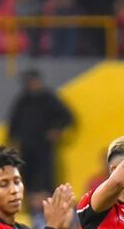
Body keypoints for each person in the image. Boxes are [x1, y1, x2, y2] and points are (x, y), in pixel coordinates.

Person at [7, 70, 74, 204]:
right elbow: (13, 123)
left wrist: (57, 130)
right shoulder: (23, 100)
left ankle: (51, 203)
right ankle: (29, 205)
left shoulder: (49, 98)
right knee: (27, 177)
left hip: (44, 146)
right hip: (26, 147)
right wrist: (14, 140)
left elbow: (67, 117)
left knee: (47, 177)